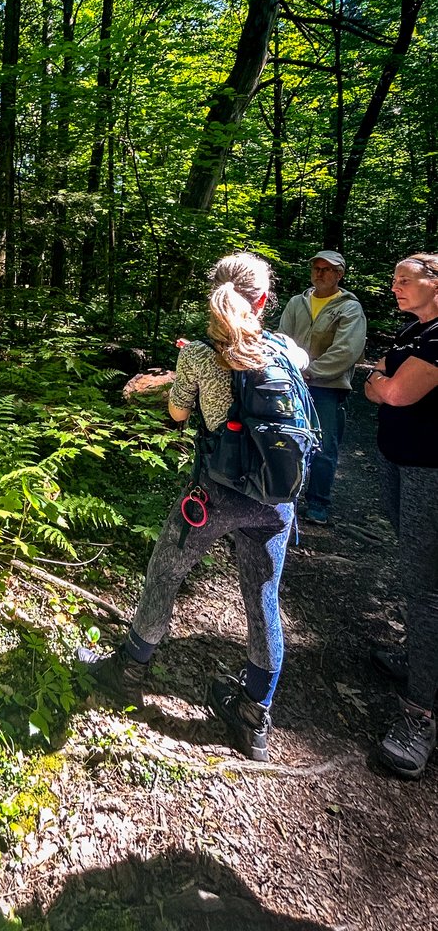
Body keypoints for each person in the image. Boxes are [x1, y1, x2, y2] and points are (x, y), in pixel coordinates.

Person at [78, 253, 309, 763]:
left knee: (165, 572)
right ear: (265, 300)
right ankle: (254, 717)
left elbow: (179, 413)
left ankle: (130, 671)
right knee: (263, 598)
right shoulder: (289, 351)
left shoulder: (201, 356)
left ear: (211, 297)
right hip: (275, 500)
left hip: (214, 494)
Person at [364, 253, 438, 779]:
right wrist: (382, 381)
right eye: (393, 280)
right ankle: (420, 666)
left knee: (425, 586)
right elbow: (383, 380)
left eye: (404, 280)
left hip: (430, 472)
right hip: (401, 465)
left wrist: (382, 384)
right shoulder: (415, 332)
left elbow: (389, 389)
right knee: (421, 577)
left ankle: (421, 716)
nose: (395, 288)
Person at [278, 250, 366, 525]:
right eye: (316, 268)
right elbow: (283, 339)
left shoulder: (349, 307)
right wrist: (292, 370)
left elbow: (347, 350)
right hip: (292, 382)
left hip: (327, 387)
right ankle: (281, 497)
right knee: (285, 439)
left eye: (327, 269)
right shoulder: (297, 303)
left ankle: (317, 502)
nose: (320, 273)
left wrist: (311, 371)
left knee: (325, 445)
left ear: (339, 274)